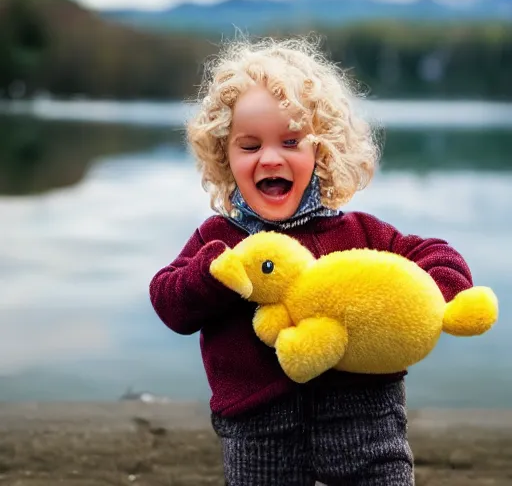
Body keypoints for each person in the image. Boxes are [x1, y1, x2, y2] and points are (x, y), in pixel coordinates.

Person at [149, 36, 473, 485]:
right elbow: (168, 301)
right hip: (257, 428)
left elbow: (436, 254)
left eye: (290, 141)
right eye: (249, 145)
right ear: (224, 155)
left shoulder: (359, 233)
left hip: (367, 418)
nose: (270, 157)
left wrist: (437, 290)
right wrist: (211, 275)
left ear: (321, 151)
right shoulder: (219, 240)